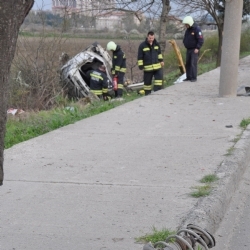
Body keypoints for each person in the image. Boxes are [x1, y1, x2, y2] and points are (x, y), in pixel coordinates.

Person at [137, 31, 164, 95]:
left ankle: (157, 93)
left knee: (159, 80)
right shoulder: (142, 45)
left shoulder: (157, 44)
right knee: (147, 84)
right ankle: (147, 95)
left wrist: (161, 61)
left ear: (154, 37)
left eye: (152, 38)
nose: (151, 39)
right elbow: (140, 56)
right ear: (147, 37)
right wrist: (140, 66)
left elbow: (159, 54)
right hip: (148, 68)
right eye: (150, 38)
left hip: (157, 67)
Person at [182, 16, 204, 82]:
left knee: (193, 63)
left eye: (186, 24)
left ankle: (194, 77)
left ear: (190, 23)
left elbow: (201, 40)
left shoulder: (197, 29)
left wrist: (197, 48)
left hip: (194, 49)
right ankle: (188, 77)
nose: (185, 25)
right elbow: (185, 38)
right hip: (188, 49)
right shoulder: (188, 30)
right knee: (188, 63)